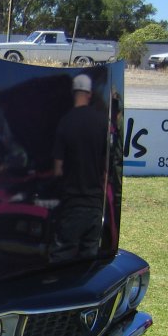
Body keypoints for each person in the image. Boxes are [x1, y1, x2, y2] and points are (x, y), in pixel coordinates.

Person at [50, 73, 108, 262]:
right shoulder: (101, 122)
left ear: (73, 93)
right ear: (89, 94)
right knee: (88, 263)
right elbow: (106, 166)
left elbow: (58, 169)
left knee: (61, 258)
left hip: (73, 204)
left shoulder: (65, 122)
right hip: (95, 205)